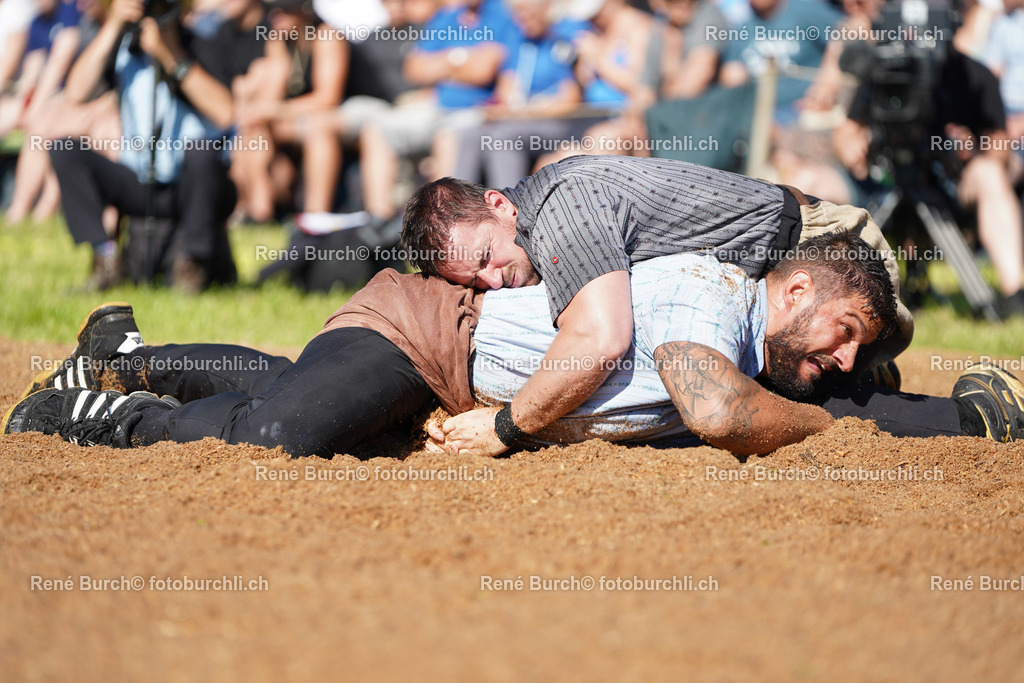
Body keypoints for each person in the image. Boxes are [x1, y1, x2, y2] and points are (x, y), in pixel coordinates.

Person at [6, 233, 1024, 457]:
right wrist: (501, 425)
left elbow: (842, 405)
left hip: (451, 373)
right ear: (792, 288)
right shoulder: (714, 300)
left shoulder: (774, 354)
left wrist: (965, 413)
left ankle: (130, 346)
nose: (845, 361)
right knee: (279, 432)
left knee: (302, 389)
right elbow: (720, 413)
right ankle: (112, 407)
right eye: (843, 333)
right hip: (424, 334)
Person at [398, 154, 915, 456]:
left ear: (498, 203)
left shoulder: (563, 208)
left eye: (487, 255)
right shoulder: (540, 217)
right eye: (476, 279)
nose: (495, 280)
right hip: (780, 259)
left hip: (826, 250)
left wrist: (505, 427)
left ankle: (880, 388)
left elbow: (601, 339)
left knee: (834, 385)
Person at [48, 0, 252, 292]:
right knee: (65, 149)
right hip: (139, 179)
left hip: (195, 183)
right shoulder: (123, 48)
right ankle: (105, 256)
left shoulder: (200, 45)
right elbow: (76, 93)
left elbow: (225, 113)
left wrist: (170, 57)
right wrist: (114, 23)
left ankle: (191, 264)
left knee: (201, 152)